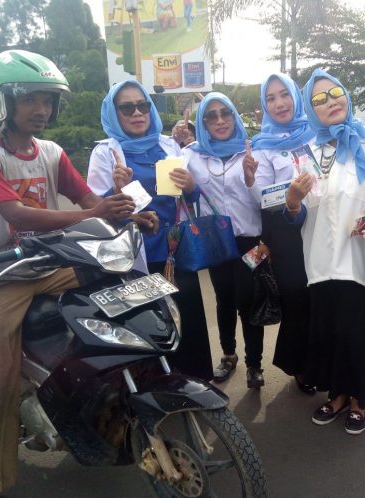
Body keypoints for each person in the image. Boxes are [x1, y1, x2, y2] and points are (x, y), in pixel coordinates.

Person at [0, 50, 154, 498]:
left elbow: (86, 200)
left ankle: (95, 399)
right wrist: (96, 211)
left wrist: (128, 215)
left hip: (45, 264)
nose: (41, 110)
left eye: (47, 100)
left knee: (116, 289)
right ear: (2, 101)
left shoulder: (52, 152)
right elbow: (16, 213)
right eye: (29, 99)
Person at [284, 69, 365, 435]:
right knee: (330, 330)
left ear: (347, 96)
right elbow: (300, 212)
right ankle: (337, 395)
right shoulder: (307, 153)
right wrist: (291, 202)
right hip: (320, 256)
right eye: (318, 99)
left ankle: (359, 399)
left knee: (356, 329)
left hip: (360, 257)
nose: (329, 102)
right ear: (310, 109)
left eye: (334, 93)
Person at [86, 79, 213, 381]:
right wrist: (115, 191)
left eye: (143, 105)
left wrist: (190, 185)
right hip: (131, 254)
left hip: (174, 250)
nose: (137, 113)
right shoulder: (106, 153)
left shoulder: (168, 145)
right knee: (147, 324)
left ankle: (194, 381)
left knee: (187, 315)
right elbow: (94, 207)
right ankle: (154, 385)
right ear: (113, 113)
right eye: (127, 107)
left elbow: (191, 198)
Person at [184, 92, 267, 389]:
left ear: (234, 115)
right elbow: (183, 196)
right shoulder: (192, 155)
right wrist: (191, 189)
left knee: (250, 300)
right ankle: (229, 354)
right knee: (224, 300)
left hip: (251, 240)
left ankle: (254, 363)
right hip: (216, 240)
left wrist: (252, 176)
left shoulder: (253, 149)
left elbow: (266, 198)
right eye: (211, 115)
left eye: (225, 113)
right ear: (203, 122)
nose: (220, 120)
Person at [242, 73, 316, 394]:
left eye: (283, 94)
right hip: (287, 234)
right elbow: (263, 199)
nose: (279, 103)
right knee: (298, 300)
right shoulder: (263, 146)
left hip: (324, 228)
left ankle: (322, 360)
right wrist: (251, 180)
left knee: (321, 298)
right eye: (270, 98)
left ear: (295, 97)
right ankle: (299, 365)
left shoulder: (317, 133)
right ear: (264, 105)